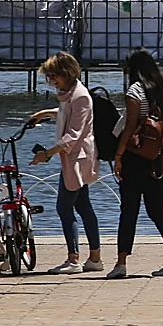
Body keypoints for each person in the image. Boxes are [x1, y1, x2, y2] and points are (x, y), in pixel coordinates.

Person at [108, 49, 163, 279]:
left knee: (129, 210)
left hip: (136, 158)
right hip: (161, 158)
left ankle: (121, 263)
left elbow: (130, 126)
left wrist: (119, 155)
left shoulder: (135, 91)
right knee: (157, 210)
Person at [28, 52, 103, 274]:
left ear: (66, 73)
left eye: (54, 76)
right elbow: (66, 114)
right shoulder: (69, 94)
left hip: (78, 158)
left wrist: (47, 154)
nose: (51, 81)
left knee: (64, 207)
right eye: (48, 77)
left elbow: (73, 134)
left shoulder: (80, 96)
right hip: (74, 158)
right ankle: (95, 259)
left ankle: (74, 260)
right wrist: (47, 113)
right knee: (83, 207)